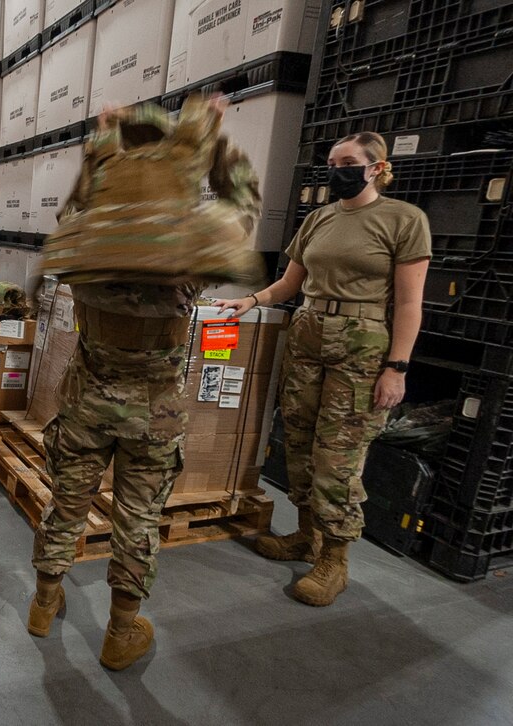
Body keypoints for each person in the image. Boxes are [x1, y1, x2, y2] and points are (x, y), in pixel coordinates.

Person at [29, 97, 261, 670]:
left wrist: (101, 147)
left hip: (87, 401)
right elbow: (243, 204)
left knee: (67, 503)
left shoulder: (85, 244)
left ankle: (43, 602)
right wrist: (216, 140)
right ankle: (121, 631)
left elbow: (75, 206)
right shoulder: (190, 253)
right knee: (138, 519)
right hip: (154, 413)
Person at [217, 131, 430, 607]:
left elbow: (412, 303)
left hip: (361, 346)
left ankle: (334, 559)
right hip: (308, 338)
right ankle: (306, 536)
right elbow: (290, 283)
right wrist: (249, 300)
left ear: (376, 167)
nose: (337, 170)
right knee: (297, 442)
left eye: (348, 161)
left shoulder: (403, 219)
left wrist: (397, 367)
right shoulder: (318, 218)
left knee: (339, 456)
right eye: (332, 162)